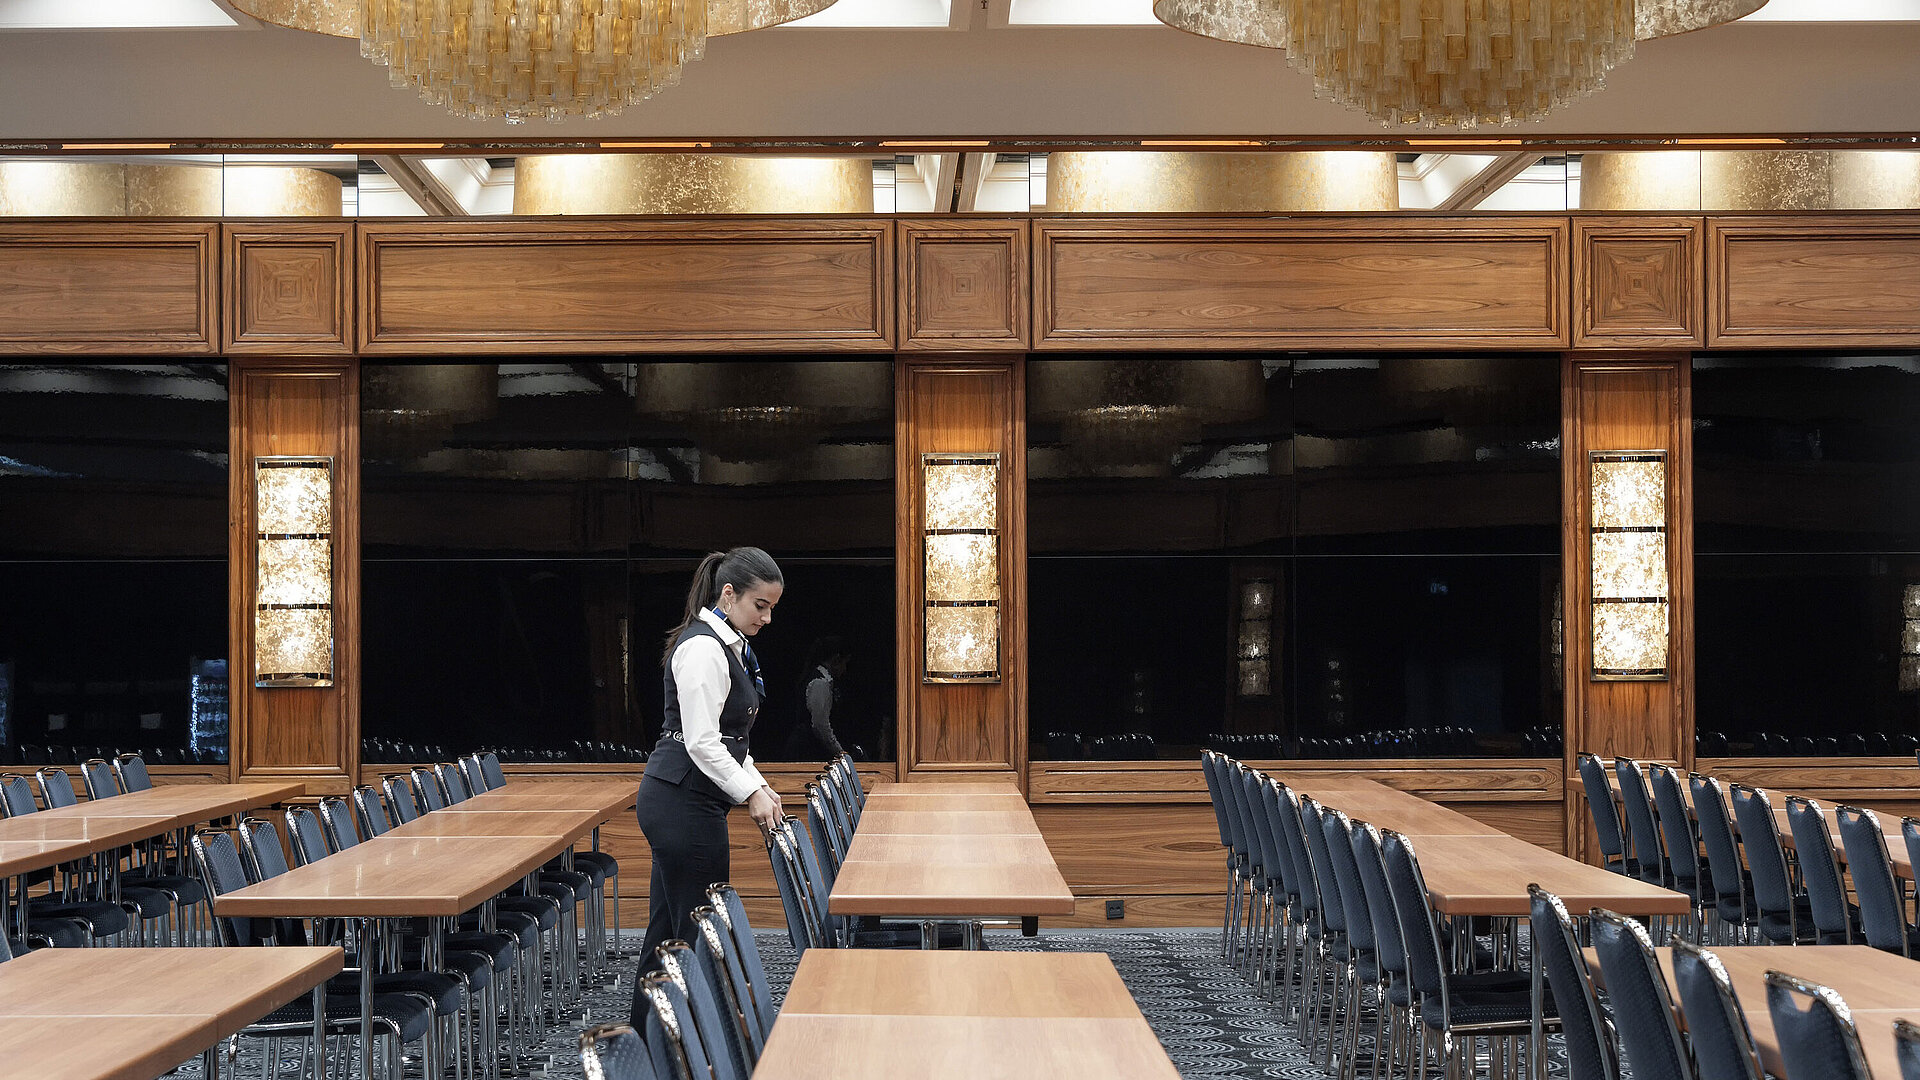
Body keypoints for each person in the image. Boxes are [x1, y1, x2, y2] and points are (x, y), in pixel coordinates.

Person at [630, 546, 785, 1026]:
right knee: (699, 931)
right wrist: (750, 792)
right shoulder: (703, 648)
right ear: (729, 594)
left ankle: (646, 1043)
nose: (767, 618)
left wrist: (759, 783)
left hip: (685, 799)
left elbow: (729, 740)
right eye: (761, 606)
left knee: (668, 932)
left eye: (772, 608)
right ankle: (697, 1043)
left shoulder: (725, 643)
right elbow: (701, 742)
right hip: (680, 801)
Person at [790, 636, 852, 759]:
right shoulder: (819, 683)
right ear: (836, 659)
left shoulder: (825, 681)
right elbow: (820, 725)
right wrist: (840, 753)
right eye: (845, 663)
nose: (844, 669)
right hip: (808, 751)